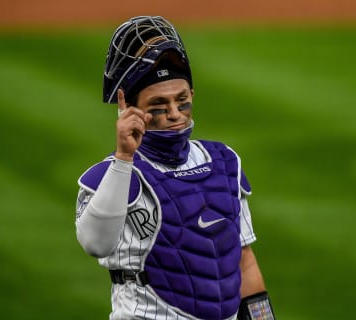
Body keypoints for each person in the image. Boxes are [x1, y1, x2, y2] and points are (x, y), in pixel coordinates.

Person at [75, 16, 275, 320]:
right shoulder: (112, 176)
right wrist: (124, 157)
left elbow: (243, 259)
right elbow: (95, 244)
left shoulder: (224, 162)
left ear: (192, 95)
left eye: (182, 101)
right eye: (158, 105)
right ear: (128, 107)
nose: (174, 114)